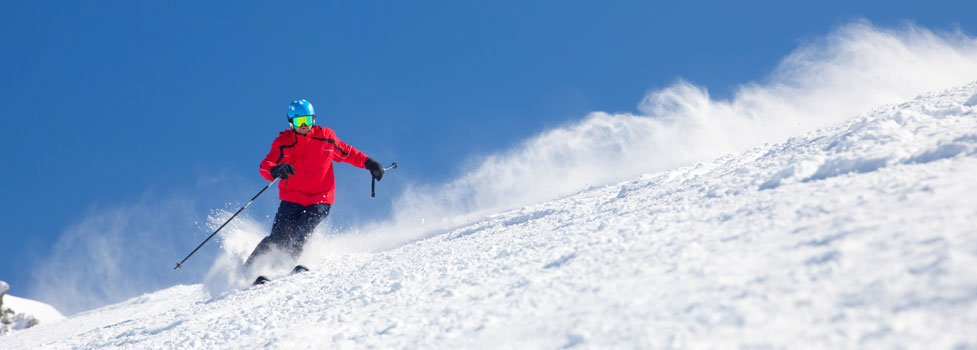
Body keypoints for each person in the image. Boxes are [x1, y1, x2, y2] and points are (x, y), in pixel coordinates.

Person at [244, 99, 384, 279]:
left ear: (314, 120)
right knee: (278, 238)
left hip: (320, 198)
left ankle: (282, 268)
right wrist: (277, 170)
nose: (304, 125)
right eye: (298, 121)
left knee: (302, 230)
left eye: (307, 120)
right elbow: (265, 166)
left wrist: (370, 164)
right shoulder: (283, 143)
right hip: (292, 198)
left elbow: (348, 153)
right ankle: (246, 272)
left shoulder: (325, 137)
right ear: (290, 123)